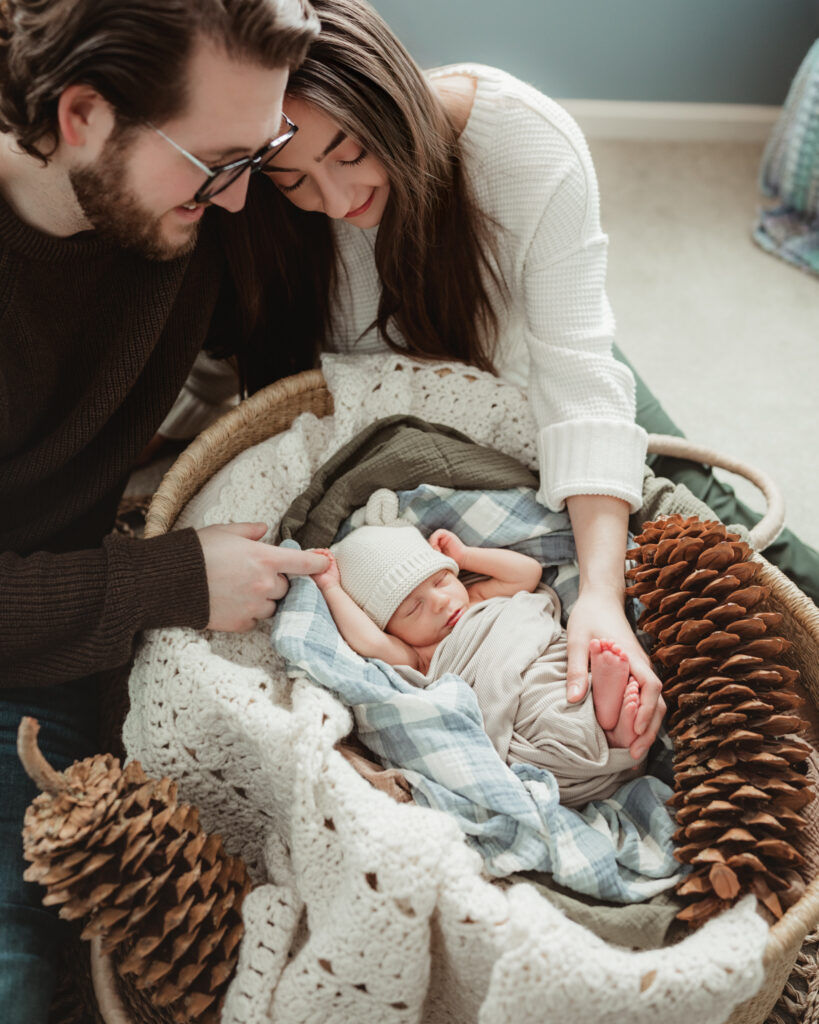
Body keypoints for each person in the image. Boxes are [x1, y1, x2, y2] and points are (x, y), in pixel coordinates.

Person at [215, 0, 667, 766]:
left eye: (350, 151)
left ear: (389, 98)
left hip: (535, 364)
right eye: (292, 179)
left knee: (724, 535)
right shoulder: (267, 214)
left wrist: (597, 598)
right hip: (412, 414)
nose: (334, 200)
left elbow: (579, 375)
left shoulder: (528, 146)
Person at [0, 2, 327, 1020]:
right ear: (84, 115)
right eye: (218, 160)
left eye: (259, 152)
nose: (241, 200)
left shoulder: (198, 208)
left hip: (47, 645)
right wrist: (171, 578)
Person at [311, 498, 644, 808]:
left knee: (567, 680)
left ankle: (606, 715)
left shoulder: (476, 596)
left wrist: (466, 555)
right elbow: (370, 643)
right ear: (392, 628)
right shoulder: (418, 654)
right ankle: (612, 732)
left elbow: (528, 573)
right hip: (518, 713)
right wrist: (331, 588)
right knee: (548, 717)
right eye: (414, 609)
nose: (440, 602)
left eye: (440, 582)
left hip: (546, 663)